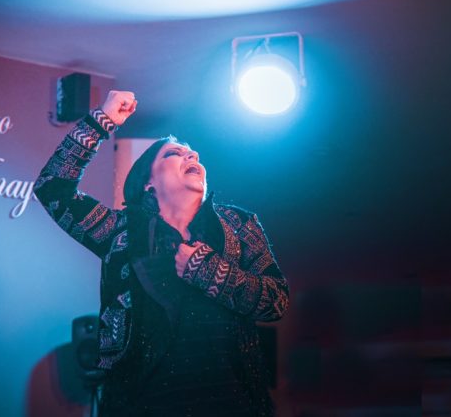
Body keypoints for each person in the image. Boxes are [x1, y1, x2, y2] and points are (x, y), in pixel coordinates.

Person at [34, 90, 289, 416]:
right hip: (141, 405)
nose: (192, 156)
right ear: (147, 183)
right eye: (175, 153)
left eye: (194, 154)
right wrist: (101, 121)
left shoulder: (238, 224)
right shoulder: (118, 232)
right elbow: (52, 187)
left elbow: (276, 301)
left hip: (234, 404)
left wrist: (210, 271)